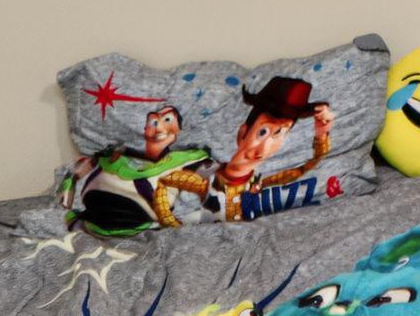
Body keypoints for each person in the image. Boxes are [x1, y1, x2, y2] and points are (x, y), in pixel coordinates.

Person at [155, 78, 332, 225]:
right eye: (262, 132)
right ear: (243, 134)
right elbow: (165, 182)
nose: (263, 148)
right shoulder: (207, 180)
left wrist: (321, 134)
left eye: (279, 134)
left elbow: (309, 168)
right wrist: (173, 226)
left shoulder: (263, 183)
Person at [63, 105, 209, 237]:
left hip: (148, 218)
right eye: (154, 122)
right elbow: (73, 177)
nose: (159, 128)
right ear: (145, 128)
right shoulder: (109, 155)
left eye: (168, 120)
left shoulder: (186, 158)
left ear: (178, 130)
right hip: (95, 216)